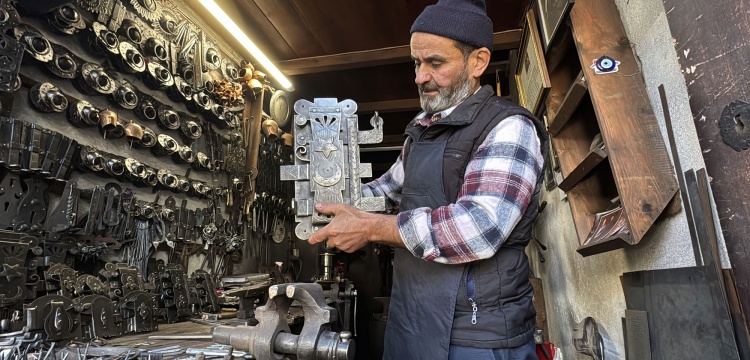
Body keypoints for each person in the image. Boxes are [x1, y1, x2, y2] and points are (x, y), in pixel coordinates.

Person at [308, 0, 549, 359]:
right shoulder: (421, 132)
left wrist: (372, 228)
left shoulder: (509, 127)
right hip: (412, 320)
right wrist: (328, 199)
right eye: (417, 63)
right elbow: (385, 192)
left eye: (435, 63)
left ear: (478, 62)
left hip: (476, 335)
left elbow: (478, 229)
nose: (420, 76)